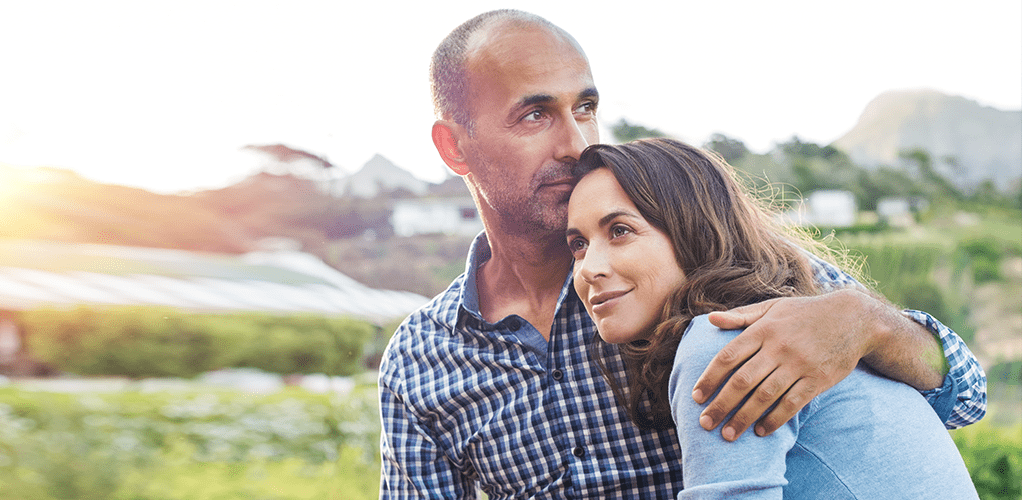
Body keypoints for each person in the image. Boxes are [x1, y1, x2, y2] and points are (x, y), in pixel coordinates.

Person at [378, 9, 985, 498]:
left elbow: (964, 396)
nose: (576, 142)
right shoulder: (420, 360)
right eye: (535, 114)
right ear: (454, 148)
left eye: (585, 108)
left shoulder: (709, 276)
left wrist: (866, 322)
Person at [566, 138, 978, 498]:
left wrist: (872, 320)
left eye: (620, 231)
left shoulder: (723, 339)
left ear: (694, 232)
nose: (588, 269)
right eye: (579, 244)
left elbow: (969, 400)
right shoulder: (781, 311)